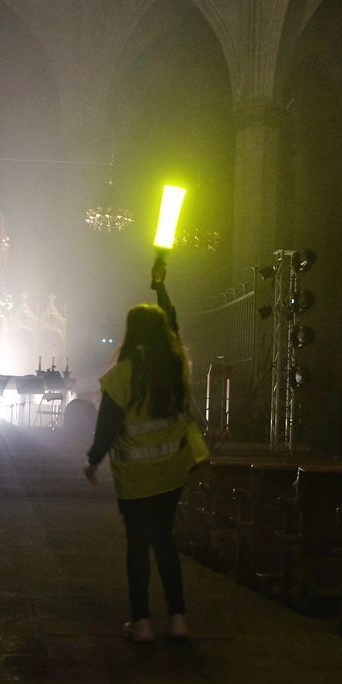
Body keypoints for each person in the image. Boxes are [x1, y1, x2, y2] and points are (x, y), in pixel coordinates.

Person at [85, 256, 209, 642]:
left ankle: (141, 623)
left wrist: (93, 459)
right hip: (172, 470)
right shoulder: (175, 368)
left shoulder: (122, 375)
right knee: (165, 541)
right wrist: (160, 286)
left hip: (136, 476)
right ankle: (178, 619)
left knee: (137, 545)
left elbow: (107, 424)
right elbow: (172, 323)